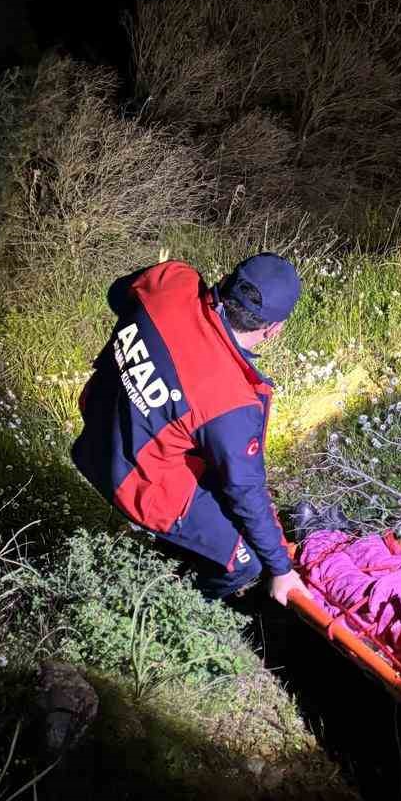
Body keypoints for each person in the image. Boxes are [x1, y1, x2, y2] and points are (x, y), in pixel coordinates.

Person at [71, 254, 310, 605]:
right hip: (129, 478)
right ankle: (167, 605)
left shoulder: (172, 279)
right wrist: (281, 569)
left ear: (226, 279)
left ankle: (177, 548)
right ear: (274, 330)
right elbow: (245, 490)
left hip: (99, 426)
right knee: (246, 563)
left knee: (213, 468)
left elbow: (117, 295)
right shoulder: (231, 399)